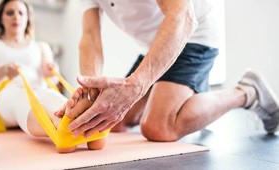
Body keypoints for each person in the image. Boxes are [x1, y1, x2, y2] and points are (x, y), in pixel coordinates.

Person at [55, 0, 279, 141]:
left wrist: (136, 85)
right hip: (155, 45)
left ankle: (246, 92)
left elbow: (182, 16)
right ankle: (186, 98)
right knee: (114, 122)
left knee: (158, 127)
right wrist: (90, 92)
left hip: (194, 34)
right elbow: (90, 38)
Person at [0, 0, 106, 153]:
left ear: (27, 18)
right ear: (0, 18)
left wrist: (51, 70)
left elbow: (51, 79)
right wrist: (3, 72)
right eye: (9, 13)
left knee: (52, 95)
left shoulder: (40, 47)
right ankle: (61, 125)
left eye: (21, 13)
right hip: (4, 93)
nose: (16, 17)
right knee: (21, 98)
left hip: (38, 88)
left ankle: (82, 122)